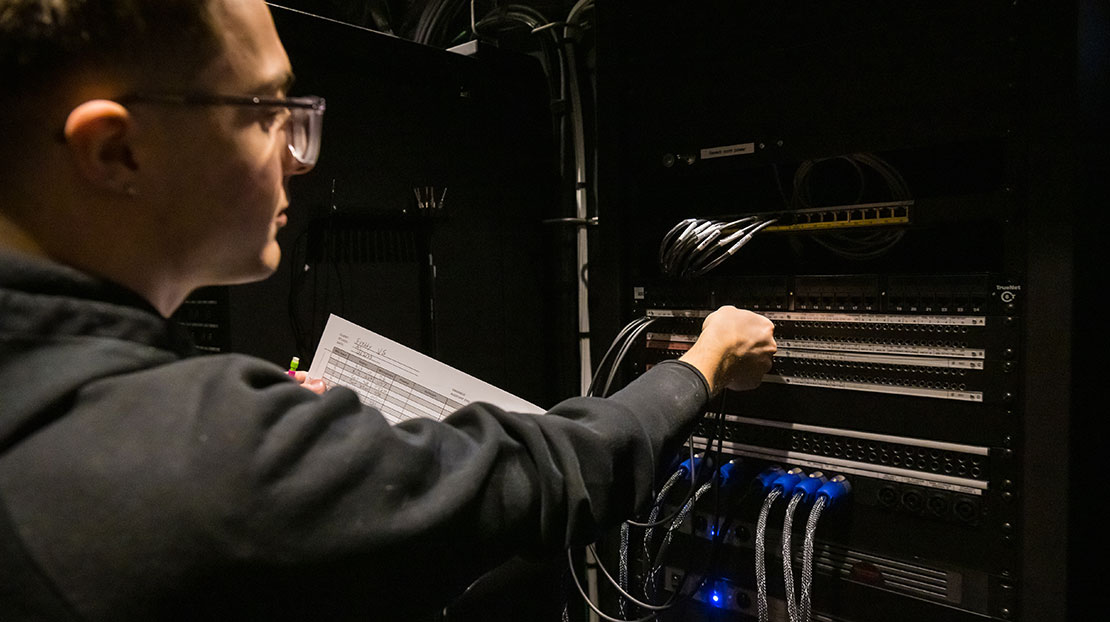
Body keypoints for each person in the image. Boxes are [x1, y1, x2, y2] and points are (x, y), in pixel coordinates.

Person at [0, 1, 777, 620]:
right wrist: (703, 364)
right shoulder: (188, 461)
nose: (300, 155)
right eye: (268, 110)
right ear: (115, 151)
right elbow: (549, 477)